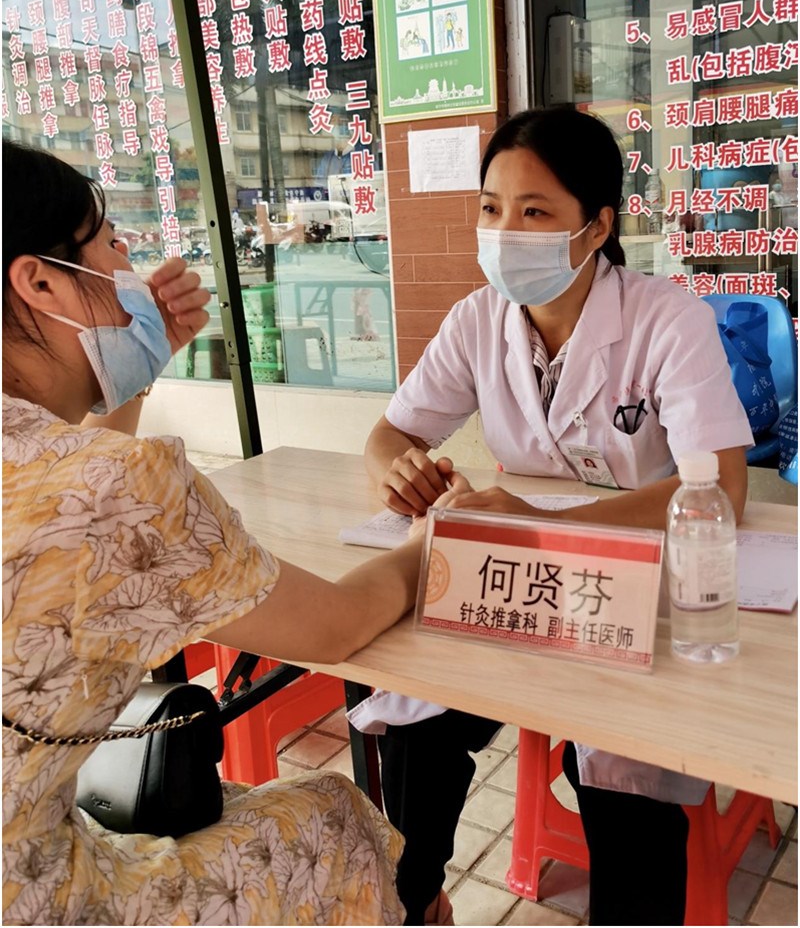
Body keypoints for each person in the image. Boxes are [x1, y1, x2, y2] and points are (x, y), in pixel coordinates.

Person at [2, 141, 429, 927]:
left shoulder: (75, 477)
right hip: (35, 897)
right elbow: (331, 627)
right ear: (40, 281)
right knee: (336, 818)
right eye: (112, 244)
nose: (130, 267)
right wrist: (430, 545)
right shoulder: (120, 489)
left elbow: (75, 495)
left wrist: (136, 367)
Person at [363, 108, 753, 926]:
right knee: (414, 717)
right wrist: (398, 470)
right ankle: (412, 902)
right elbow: (391, 433)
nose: (505, 231)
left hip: (635, 586)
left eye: (535, 211)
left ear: (597, 226)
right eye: (491, 208)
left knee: (625, 777)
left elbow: (720, 488)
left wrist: (541, 523)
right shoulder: (478, 320)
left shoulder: (666, 318)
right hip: (512, 584)